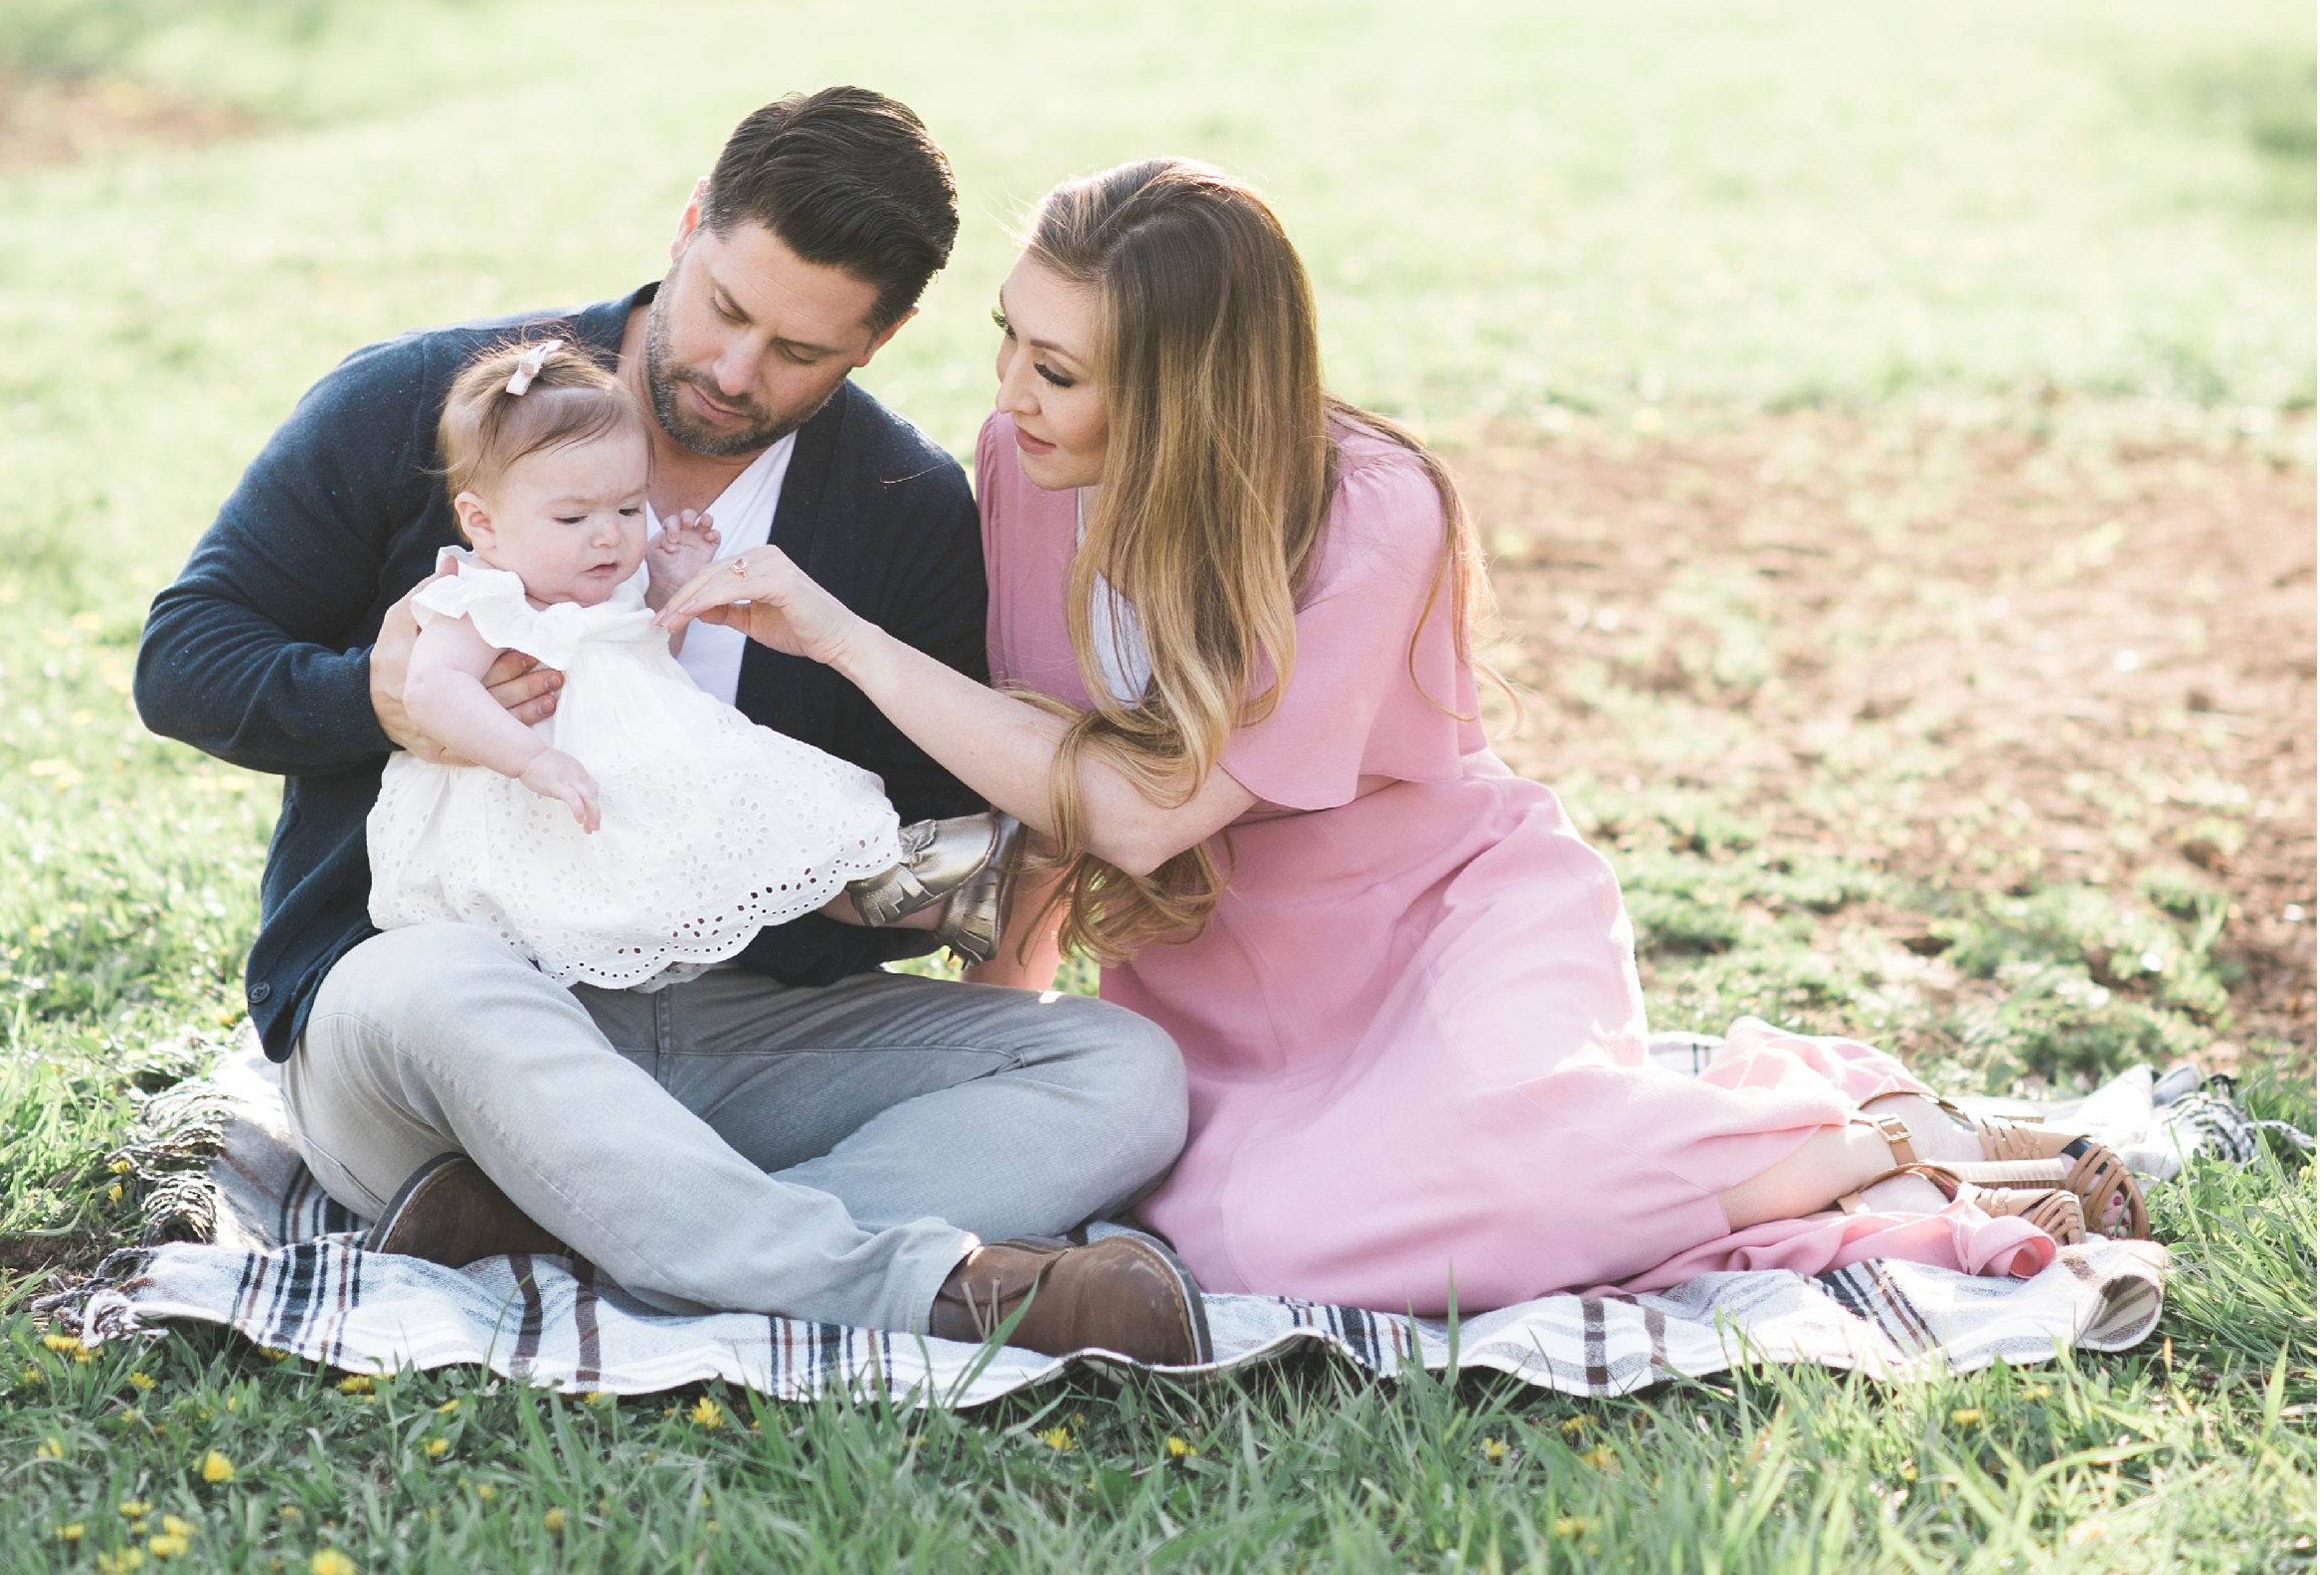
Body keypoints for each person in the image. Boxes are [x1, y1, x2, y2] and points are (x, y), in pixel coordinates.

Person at [659, 156, 2145, 1313]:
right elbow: (1050, 774)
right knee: (1254, 1240)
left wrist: (845, 642)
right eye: (1011, 345)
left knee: (1501, 1151)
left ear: (1184, 390)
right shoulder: (1023, 462)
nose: (1009, 397)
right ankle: (1767, 1132)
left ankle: (1856, 1142)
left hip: (1441, 919)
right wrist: (1006, 1018)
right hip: (1222, 977)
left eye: (1059, 369)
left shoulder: (1375, 507)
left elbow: (1145, 809)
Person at [135, 89, 1202, 1362]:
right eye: (726, 308)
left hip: (731, 1032)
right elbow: (186, 658)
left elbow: (933, 831)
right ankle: (934, 1290)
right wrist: (382, 702)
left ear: (887, 335)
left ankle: (567, 1230)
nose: (734, 373)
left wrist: (873, 864)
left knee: (1124, 1072)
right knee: (450, 985)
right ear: (690, 223)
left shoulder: (903, 510)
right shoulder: (436, 404)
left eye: (799, 352)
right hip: (436, 1006)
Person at [371, 331, 905, 986]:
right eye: (572, 518)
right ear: (482, 523)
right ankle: (881, 886)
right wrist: (532, 758)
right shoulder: (482, 596)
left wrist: (667, 592)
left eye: (629, 507)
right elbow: (430, 689)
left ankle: (884, 879)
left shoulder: (610, 587)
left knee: (744, 787)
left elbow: (651, 658)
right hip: (527, 799)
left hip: (624, 779)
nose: (609, 534)